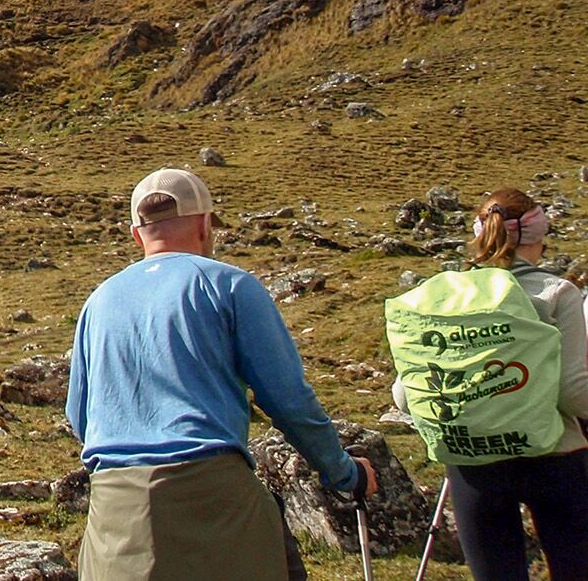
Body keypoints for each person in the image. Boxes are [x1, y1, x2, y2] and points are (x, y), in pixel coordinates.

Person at [67, 167, 376, 581]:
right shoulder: (229, 285)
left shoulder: (98, 301)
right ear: (204, 224)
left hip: (113, 511)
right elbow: (289, 401)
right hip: (212, 498)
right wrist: (344, 473)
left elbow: (80, 415)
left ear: (136, 234)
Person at [392, 188, 588, 581]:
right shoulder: (555, 293)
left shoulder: (439, 296)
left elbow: (404, 395)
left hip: (470, 460)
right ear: (540, 236)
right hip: (554, 456)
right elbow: (573, 391)